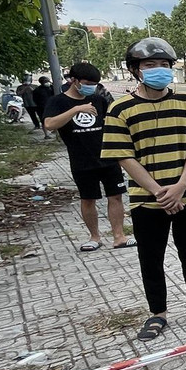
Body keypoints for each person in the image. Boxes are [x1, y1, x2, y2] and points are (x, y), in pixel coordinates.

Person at [101, 37, 186, 342]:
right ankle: (158, 314)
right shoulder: (120, 109)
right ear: (135, 70)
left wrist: (181, 185)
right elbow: (123, 156)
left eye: (164, 65)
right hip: (147, 200)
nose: (159, 70)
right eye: (150, 65)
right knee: (150, 258)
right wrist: (159, 191)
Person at [44, 62, 134, 252]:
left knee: (116, 196)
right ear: (74, 81)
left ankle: (119, 236)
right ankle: (95, 237)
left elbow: (112, 124)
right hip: (81, 160)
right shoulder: (58, 102)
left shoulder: (98, 100)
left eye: (94, 83)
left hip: (107, 157)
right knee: (88, 199)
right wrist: (76, 110)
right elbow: (50, 125)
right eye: (87, 82)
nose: (90, 86)